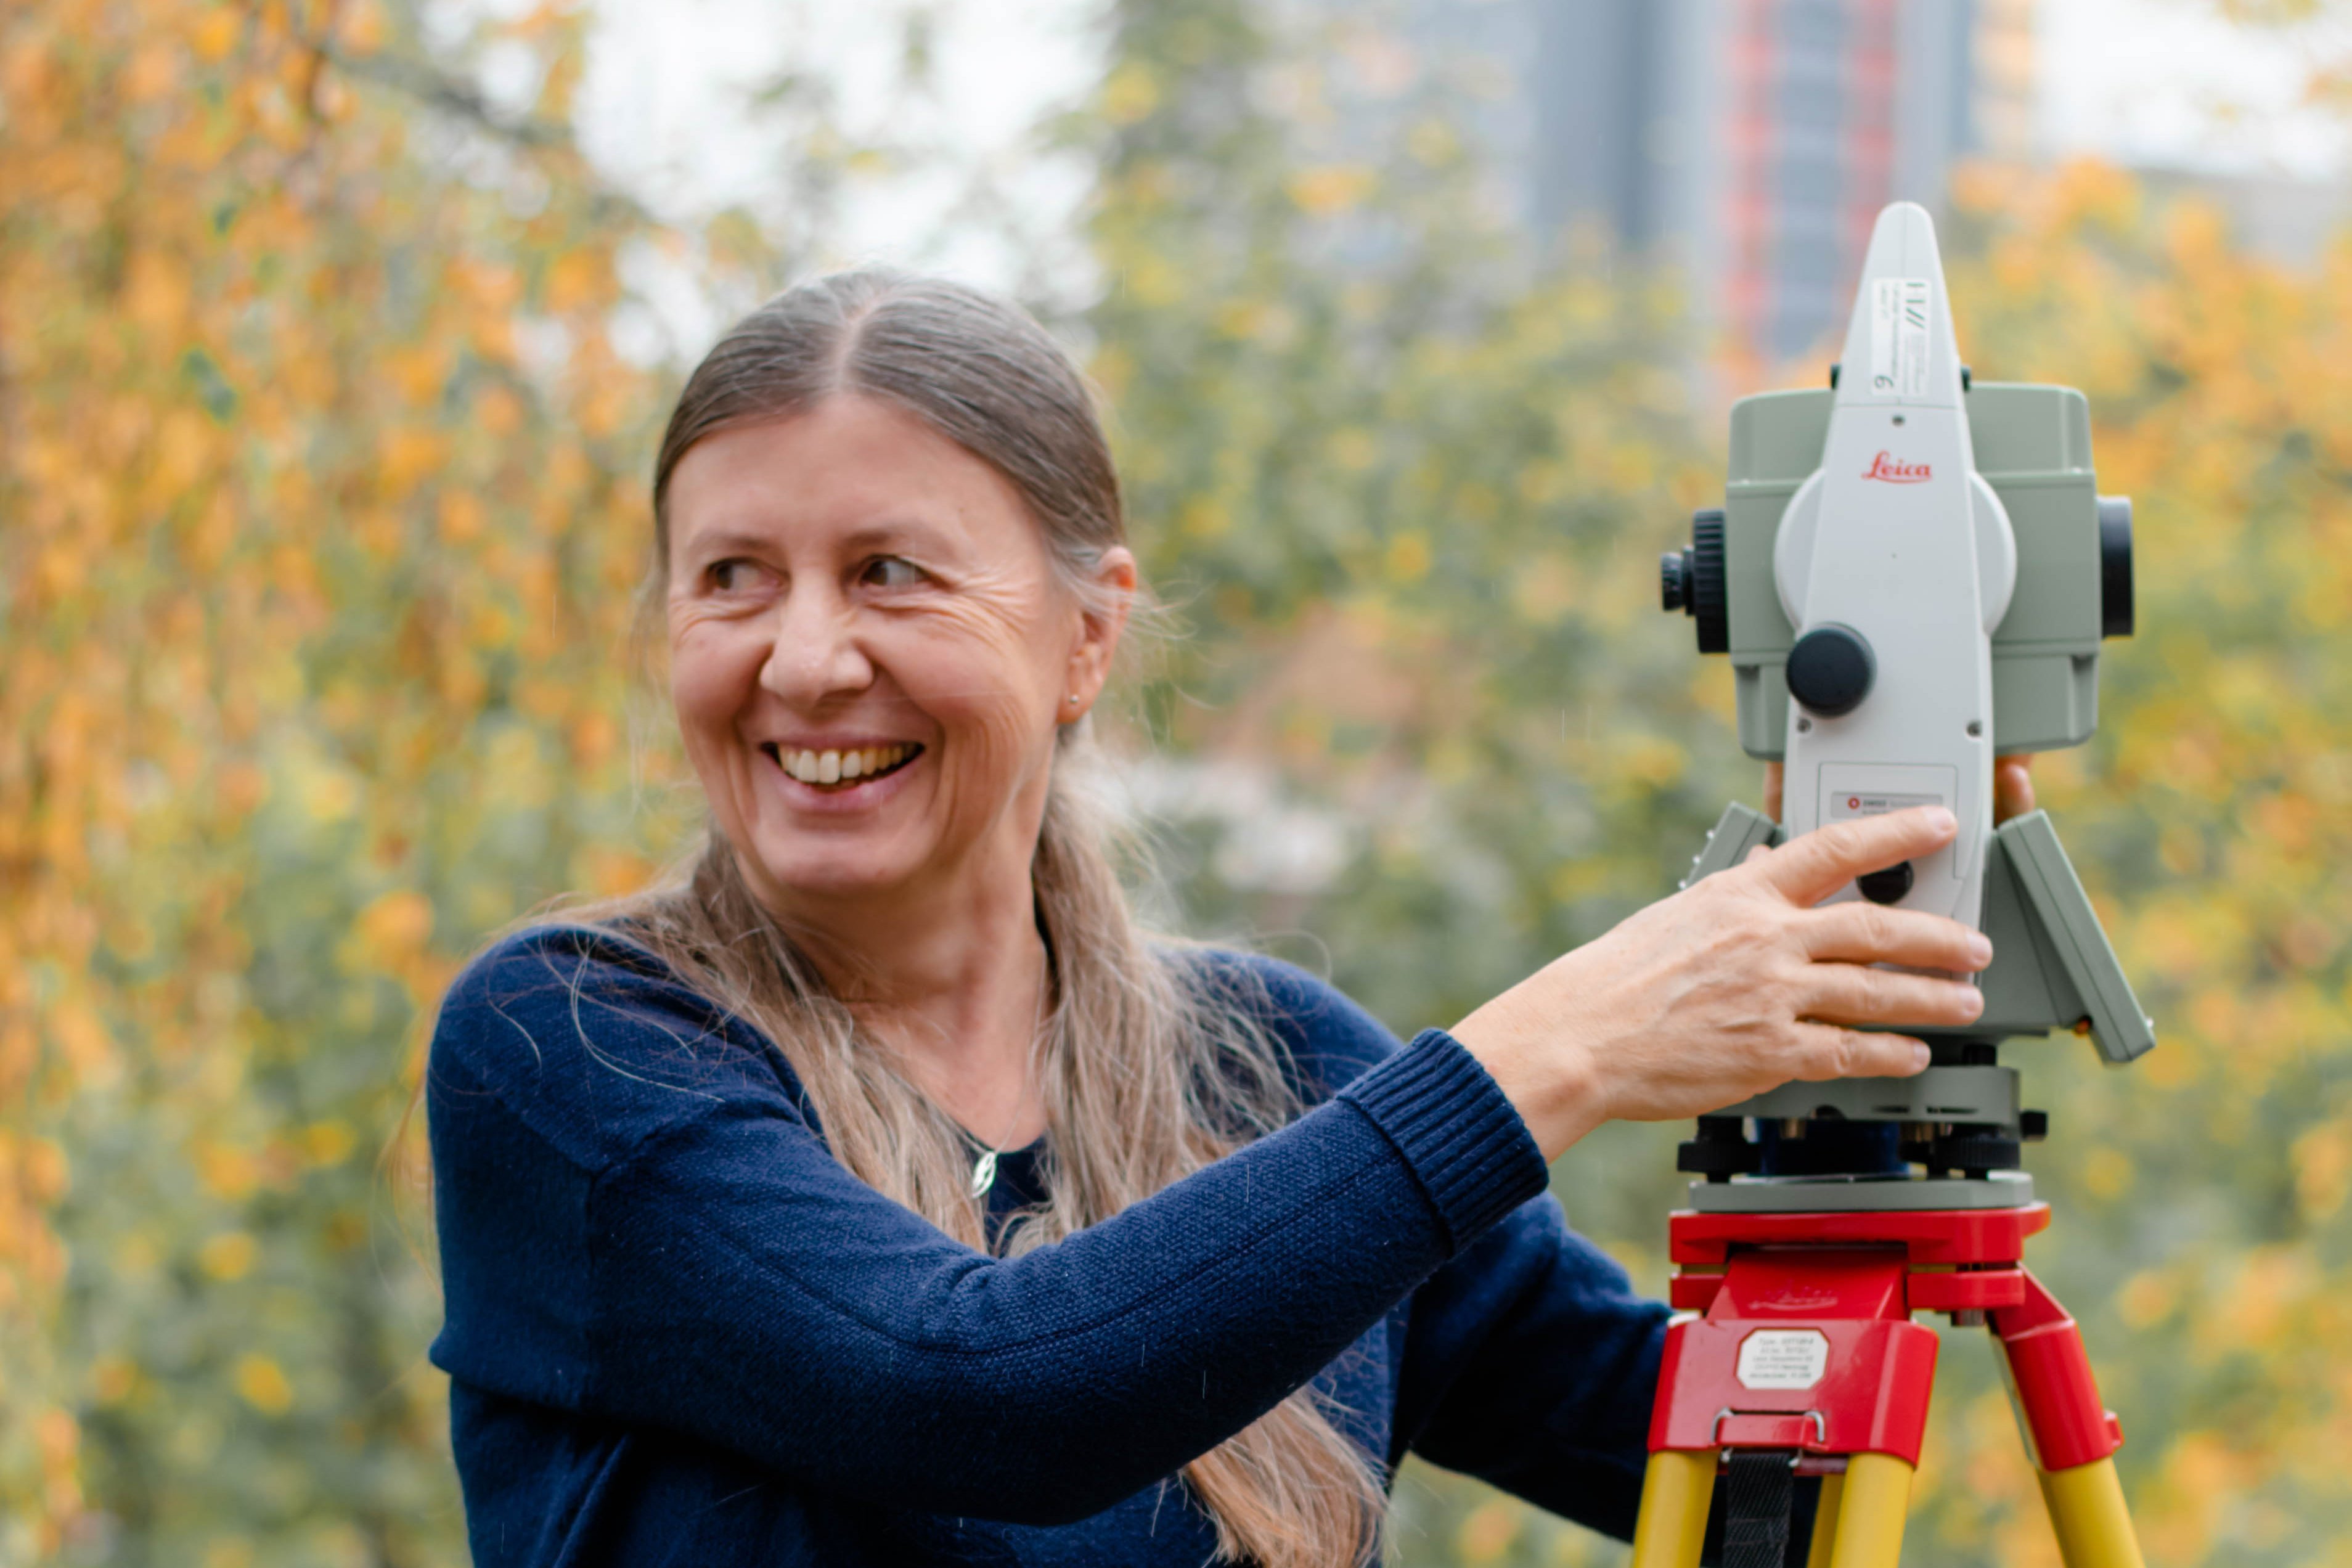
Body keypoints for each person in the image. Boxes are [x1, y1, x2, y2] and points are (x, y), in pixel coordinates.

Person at [425, 272, 2012, 1567]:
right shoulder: (575, 1051)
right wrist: (1560, 1051)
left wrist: (1869, 1014)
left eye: (891, 574)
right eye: (734, 579)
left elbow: (1737, 1482)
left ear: (1086, 638)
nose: (806, 658)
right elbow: (982, 1393)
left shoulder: (1276, 1067)